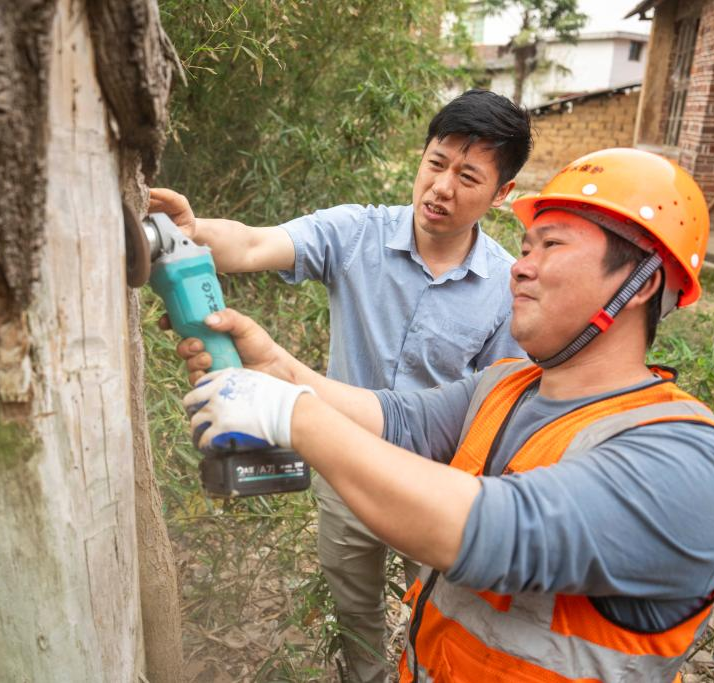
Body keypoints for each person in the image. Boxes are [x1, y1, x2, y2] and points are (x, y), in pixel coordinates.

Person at [177, 148, 714, 682]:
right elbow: (395, 418)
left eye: (552, 246)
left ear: (641, 284)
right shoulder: (504, 386)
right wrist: (276, 368)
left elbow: (485, 530)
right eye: (526, 248)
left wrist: (294, 415)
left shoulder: (684, 457)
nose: (520, 267)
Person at [151, 89, 530, 681]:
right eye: (435, 163)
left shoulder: (508, 286)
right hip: (341, 462)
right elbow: (251, 242)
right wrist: (191, 231)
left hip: (436, 482)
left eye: (467, 177)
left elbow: (499, 403)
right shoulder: (356, 233)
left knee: (444, 613)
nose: (440, 188)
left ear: (502, 193)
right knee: (356, 611)